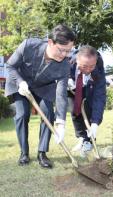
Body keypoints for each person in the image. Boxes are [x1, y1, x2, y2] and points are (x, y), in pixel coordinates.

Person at [5, 24, 76, 168]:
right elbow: (10, 66)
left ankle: (42, 153)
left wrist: (61, 122)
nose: (64, 55)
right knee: (22, 114)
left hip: (43, 88)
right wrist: (20, 82)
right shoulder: (28, 45)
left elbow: (61, 93)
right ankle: (24, 153)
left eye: (68, 51)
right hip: (19, 83)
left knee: (48, 113)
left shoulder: (64, 65)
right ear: (51, 42)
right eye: (62, 50)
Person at [67, 45, 106, 157]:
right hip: (71, 86)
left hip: (88, 87)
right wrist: (67, 79)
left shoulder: (98, 67)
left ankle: (88, 141)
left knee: (89, 109)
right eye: (84, 66)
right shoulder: (67, 60)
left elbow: (100, 97)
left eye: (91, 66)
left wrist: (95, 123)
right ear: (77, 60)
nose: (88, 70)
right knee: (75, 111)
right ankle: (81, 137)